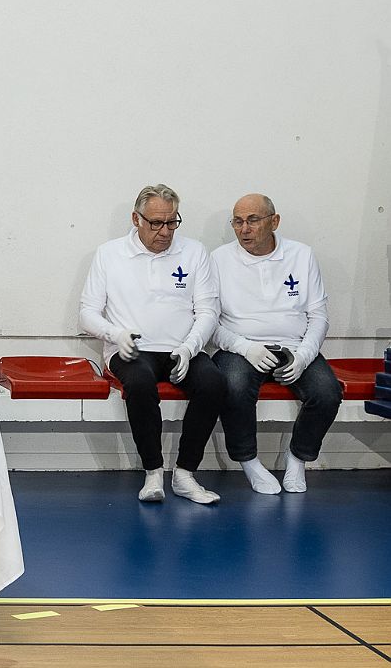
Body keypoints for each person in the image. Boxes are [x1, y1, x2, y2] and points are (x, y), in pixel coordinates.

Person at [79, 184, 226, 504]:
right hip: (130, 348)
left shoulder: (195, 252)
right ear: (136, 219)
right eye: (156, 223)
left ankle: (185, 474)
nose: (165, 231)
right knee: (140, 383)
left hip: (182, 347)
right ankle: (153, 473)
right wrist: (116, 335)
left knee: (213, 383)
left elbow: (208, 311)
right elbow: (87, 313)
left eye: (172, 222)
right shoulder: (109, 254)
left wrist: (189, 348)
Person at [211, 194, 340, 494]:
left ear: (274, 221)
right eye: (237, 222)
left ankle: (297, 458)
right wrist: (245, 347)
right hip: (240, 348)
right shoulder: (218, 259)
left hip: (293, 345)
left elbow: (318, 316)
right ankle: (249, 462)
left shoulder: (302, 255)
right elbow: (209, 323)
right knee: (234, 386)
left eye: (253, 220)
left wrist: (304, 356)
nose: (244, 229)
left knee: (327, 392)